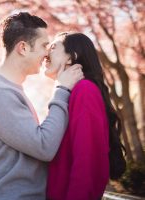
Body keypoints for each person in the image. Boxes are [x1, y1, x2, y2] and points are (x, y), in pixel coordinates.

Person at [0, 12, 84, 200]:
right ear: (23, 48)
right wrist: (62, 89)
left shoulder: (8, 90)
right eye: (43, 46)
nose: (47, 53)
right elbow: (44, 147)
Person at [45, 32, 126, 200]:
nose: (46, 52)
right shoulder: (69, 93)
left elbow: (87, 162)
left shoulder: (84, 90)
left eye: (53, 47)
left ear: (71, 58)